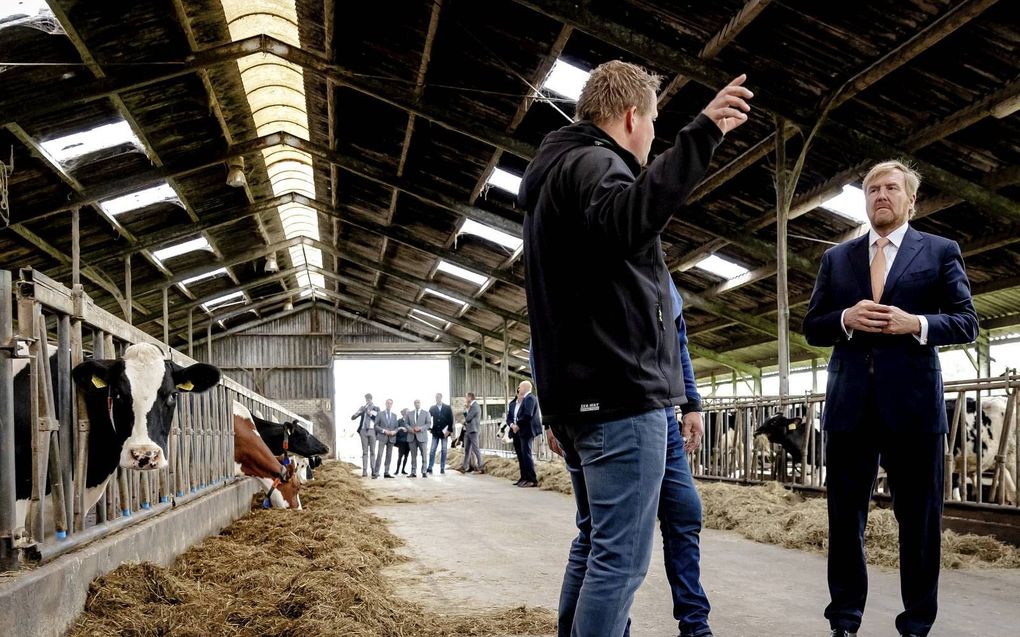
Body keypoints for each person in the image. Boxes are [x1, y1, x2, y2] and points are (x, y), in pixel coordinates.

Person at [518, 58, 752, 637]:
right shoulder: (596, 164)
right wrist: (700, 138)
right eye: (653, 125)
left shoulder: (555, 173)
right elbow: (628, 219)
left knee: (597, 543)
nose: (652, 141)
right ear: (631, 117)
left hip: (587, 396)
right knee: (619, 561)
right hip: (619, 396)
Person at [803, 160, 978, 637]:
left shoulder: (940, 251)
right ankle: (844, 620)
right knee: (844, 518)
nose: (881, 194)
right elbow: (812, 326)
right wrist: (845, 318)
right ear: (865, 199)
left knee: (919, 521)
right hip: (849, 406)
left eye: (891, 188)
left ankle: (916, 624)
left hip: (915, 408)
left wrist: (916, 324)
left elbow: (967, 322)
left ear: (910, 200)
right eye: (873, 188)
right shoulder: (836, 259)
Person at [624, 277, 712, 637]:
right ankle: (616, 626)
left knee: (685, 512)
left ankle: (695, 624)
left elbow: (679, 344)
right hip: (621, 417)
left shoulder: (662, 278)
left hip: (663, 417)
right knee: (622, 533)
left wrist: (691, 403)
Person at [507, 380, 541, 487]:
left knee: (526, 455)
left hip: (527, 431)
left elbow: (527, 414)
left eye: (520, 387)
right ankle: (524, 477)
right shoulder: (525, 399)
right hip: (521, 431)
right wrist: (514, 425)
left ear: (525, 387)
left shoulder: (530, 398)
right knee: (522, 455)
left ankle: (532, 479)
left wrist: (518, 425)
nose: (519, 389)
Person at [351, 393, 379, 478]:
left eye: (369, 399)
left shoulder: (376, 408)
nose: (368, 400)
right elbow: (353, 417)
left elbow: (377, 418)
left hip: (372, 430)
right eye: (366, 399)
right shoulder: (363, 408)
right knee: (365, 452)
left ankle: (373, 470)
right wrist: (359, 411)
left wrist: (371, 414)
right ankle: (364, 471)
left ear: (371, 399)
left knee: (373, 451)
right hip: (363, 430)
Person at [427, 392, 455, 475]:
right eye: (436, 397)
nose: (437, 398)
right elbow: (428, 418)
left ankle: (442, 468)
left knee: (444, 450)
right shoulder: (432, 408)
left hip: (444, 433)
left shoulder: (447, 407)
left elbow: (451, 420)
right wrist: (429, 428)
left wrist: (449, 431)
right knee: (432, 450)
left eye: (438, 397)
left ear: (441, 398)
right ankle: (430, 467)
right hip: (435, 432)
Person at [457, 391, 484, 474]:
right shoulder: (471, 406)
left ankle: (481, 466)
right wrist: (466, 410)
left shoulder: (475, 406)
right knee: (467, 449)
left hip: (473, 430)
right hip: (469, 430)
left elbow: (468, 418)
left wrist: (467, 410)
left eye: (466, 397)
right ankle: (464, 467)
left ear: (470, 397)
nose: (465, 398)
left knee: (475, 448)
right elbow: (467, 417)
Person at [373, 398, 399, 479]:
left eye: (390, 403)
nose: (389, 404)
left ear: (392, 404)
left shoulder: (395, 415)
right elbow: (375, 426)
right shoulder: (380, 414)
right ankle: (376, 473)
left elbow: (396, 427)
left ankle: (386, 472)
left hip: (391, 438)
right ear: (385, 404)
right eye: (388, 403)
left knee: (389, 455)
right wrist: (384, 431)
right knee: (380, 455)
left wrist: (394, 432)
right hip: (382, 437)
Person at [407, 399, 431, 478]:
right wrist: (411, 430)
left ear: (420, 403)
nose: (417, 404)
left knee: (424, 455)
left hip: (422, 437)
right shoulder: (409, 413)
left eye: (418, 402)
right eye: (415, 403)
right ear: (414, 404)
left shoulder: (426, 413)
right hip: (412, 436)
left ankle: (424, 471)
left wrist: (420, 428)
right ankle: (413, 472)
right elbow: (406, 424)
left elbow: (428, 424)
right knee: (413, 455)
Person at [394, 408, 411, 475]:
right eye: (408, 412)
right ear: (404, 413)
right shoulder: (399, 421)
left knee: (406, 456)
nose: (409, 413)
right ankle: (397, 470)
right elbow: (395, 428)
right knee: (400, 456)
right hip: (401, 441)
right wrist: (401, 428)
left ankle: (403, 470)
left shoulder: (410, 421)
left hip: (408, 441)